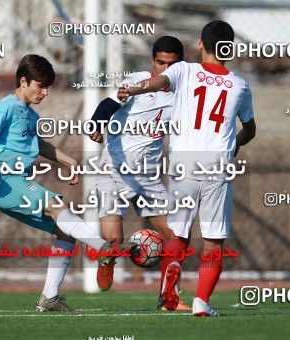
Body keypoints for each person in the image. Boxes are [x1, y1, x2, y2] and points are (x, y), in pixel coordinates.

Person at [117, 20, 257, 316]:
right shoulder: (240, 85)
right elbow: (250, 129)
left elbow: (157, 83)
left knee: (177, 235)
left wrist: (133, 88)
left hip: (184, 164)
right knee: (213, 241)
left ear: (201, 45)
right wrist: (234, 144)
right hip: (217, 164)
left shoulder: (184, 70)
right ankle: (201, 302)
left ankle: (170, 294)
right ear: (229, 48)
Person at [0, 54, 125, 312]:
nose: (45, 92)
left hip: (18, 183)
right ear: (23, 81)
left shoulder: (30, 115)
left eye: (47, 88)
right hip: (5, 183)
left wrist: (68, 162)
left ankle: (49, 298)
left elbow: (40, 145)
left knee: (64, 230)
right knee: (56, 206)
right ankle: (103, 249)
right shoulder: (5, 107)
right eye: (40, 86)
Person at [89, 36, 191, 311]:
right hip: (114, 172)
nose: (165, 69)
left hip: (148, 179)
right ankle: (107, 261)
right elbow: (109, 104)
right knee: (114, 242)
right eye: (160, 63)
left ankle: (169, 299)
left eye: (172, 64)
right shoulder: (136, 82)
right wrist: (97, 124)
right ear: (152, 61)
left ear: (180, 66)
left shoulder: (185, 93)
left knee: (175, 237)